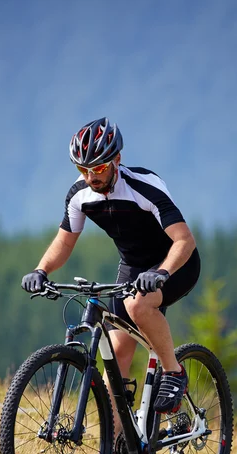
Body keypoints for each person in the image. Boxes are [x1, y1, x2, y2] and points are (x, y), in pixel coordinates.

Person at [22, 117, 201, 431]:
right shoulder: (80, 196)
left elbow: (184, 240)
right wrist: (41, 269)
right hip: (132, 269)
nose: (91, 176)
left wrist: (161, 272)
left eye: (99, 168)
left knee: (138, 305)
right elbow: (64, 241)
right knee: (116, 358)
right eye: (83, 169)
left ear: (117, 160)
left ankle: (174, 373)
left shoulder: (144, 187)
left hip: (175, 263)